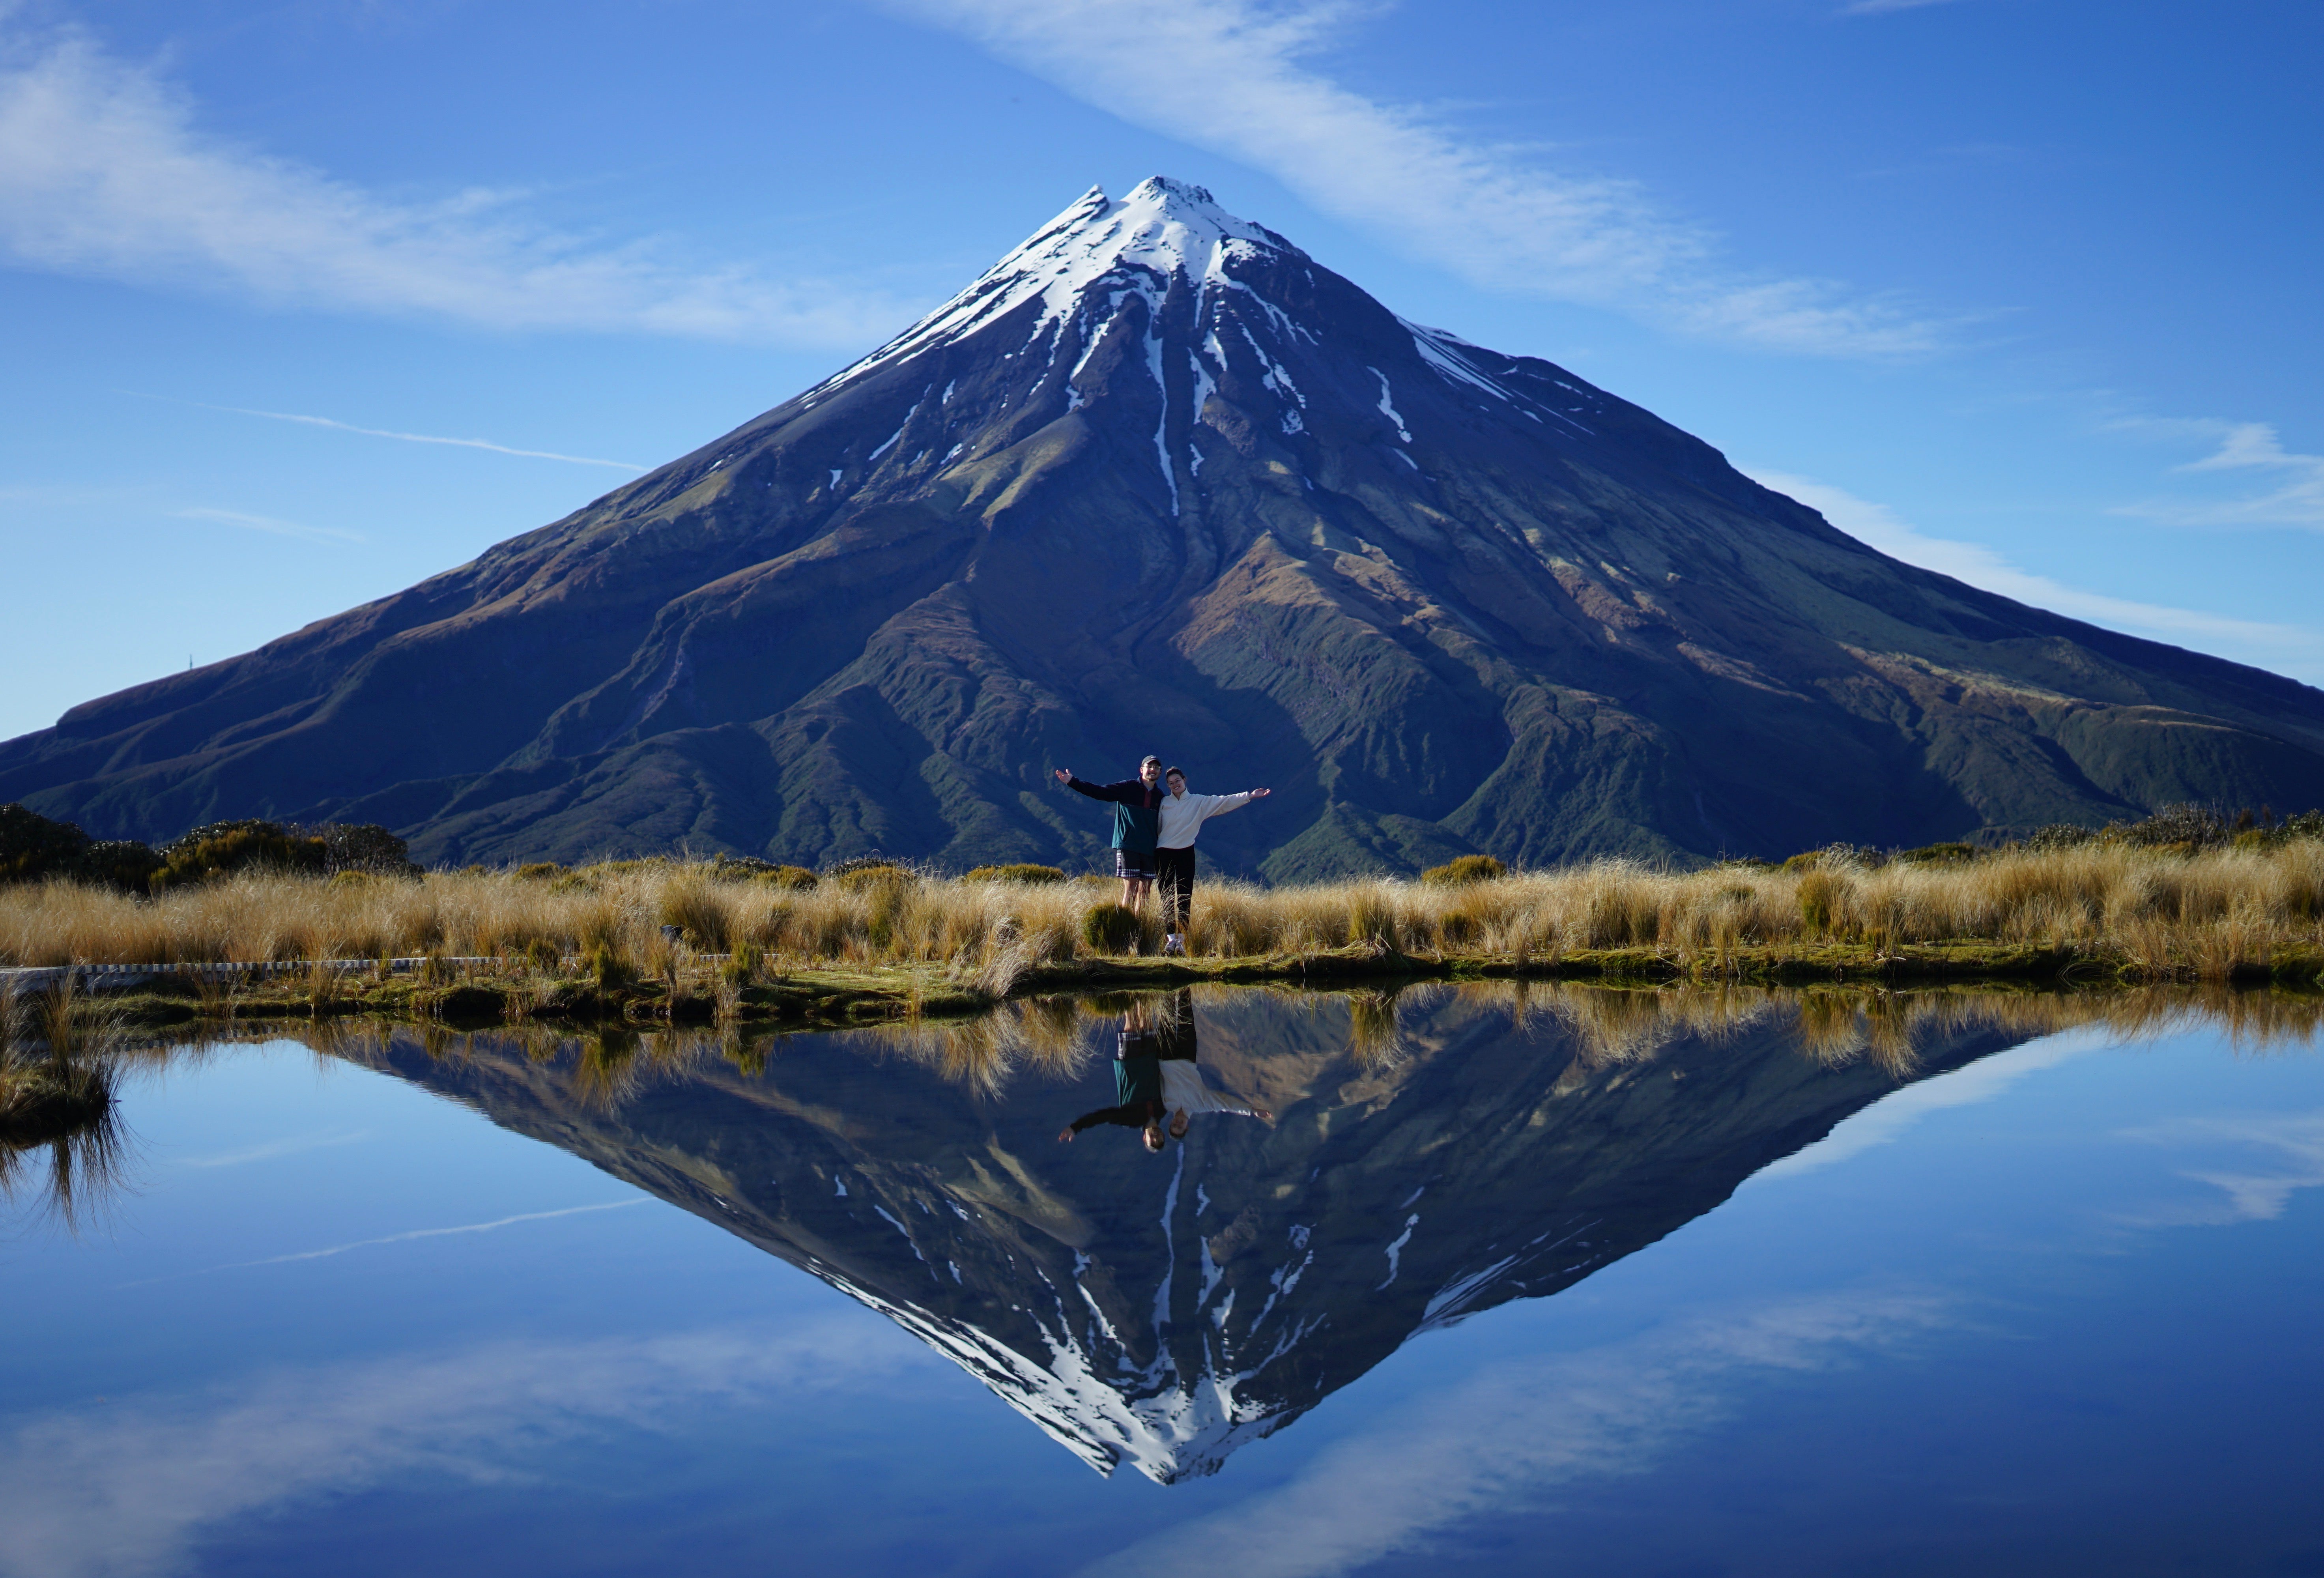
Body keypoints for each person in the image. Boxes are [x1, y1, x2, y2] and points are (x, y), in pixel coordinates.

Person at [1153, 767, 1271, 956]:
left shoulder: (1198, 801)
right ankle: (1171, 940)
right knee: (1167, 897)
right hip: (1163, 853)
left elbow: (1224, 802)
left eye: (1177, 781)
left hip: (1185, 852)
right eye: (1171, 783)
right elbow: (1156, 827)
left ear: (1184, 780)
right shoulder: (1164, 803)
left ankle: (1182, 941)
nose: (1175, 785)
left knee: (1184, 897)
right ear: (1168, 786)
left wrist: (1249, 796)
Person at [1054, 756, 1167, 914]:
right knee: (1131, 890)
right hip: (1129, 846)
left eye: (1157, 767)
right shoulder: (1128, 787)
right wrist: (1073, 782)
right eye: (1150, 766)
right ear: (1142, 770)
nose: (1153, 770)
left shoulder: (1161, 797)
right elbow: (1101, 792)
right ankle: (1125, 927)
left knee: (1146, 892)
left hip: (1150, 849)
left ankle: (1142, 929)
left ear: (1160, 772)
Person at [1155, 989, 1271, 1140]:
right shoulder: (1200, 1105)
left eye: (1174, 1125)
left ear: (1171, 1123)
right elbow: (1225, 1104)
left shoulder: (1166, 1104)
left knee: (1166, 1015)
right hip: (1187, 1057)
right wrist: (1252, 1111)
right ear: (1187, 1126)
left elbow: (1155, 1081)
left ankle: (1166, 983)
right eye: (1181, 1126)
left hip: (1166, 1057)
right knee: (1186, 1014)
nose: (1178, 1123)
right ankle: (1184, 981)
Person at [1057, 1000, 1168, 1152]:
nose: (1156, 1138)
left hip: (1130, 1063)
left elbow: (1104, 1117)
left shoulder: (1131, 1120)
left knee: (1131, 1021)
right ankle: (1143, 988)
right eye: (1160, 1140)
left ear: (1145, 1138)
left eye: (1152, 1141)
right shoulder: (1164, 1109)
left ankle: (1126, 990)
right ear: (1163, 1136)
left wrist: (1076, 1128)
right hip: (1151, 1060)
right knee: (1147, 1019)